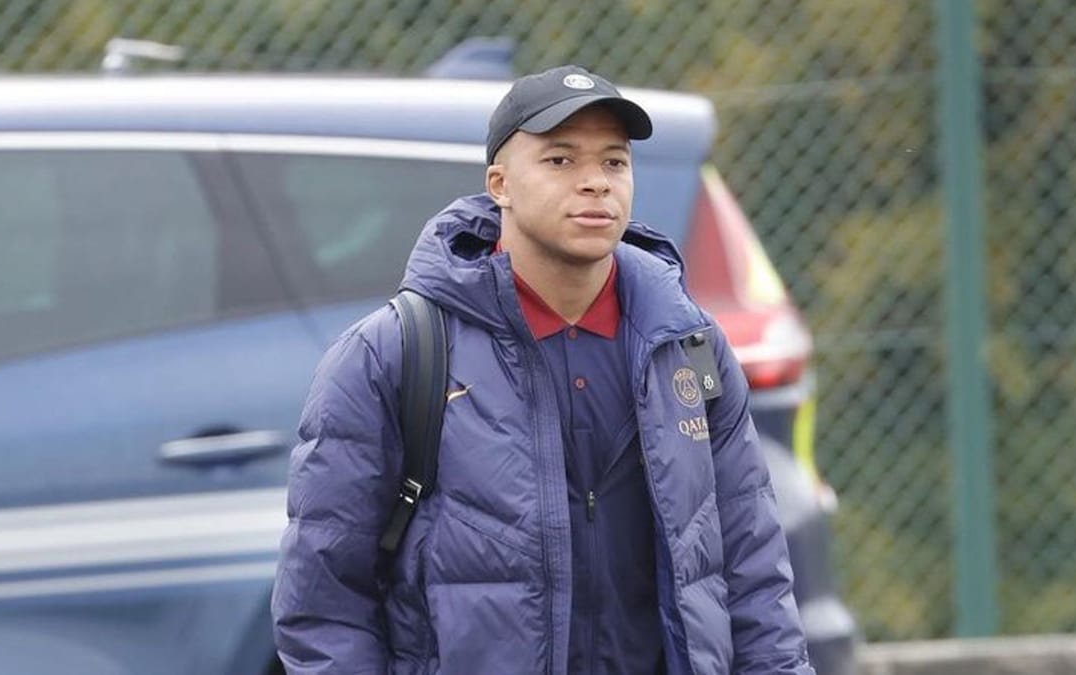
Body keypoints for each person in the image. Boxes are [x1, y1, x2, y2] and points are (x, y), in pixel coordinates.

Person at [272, 65, 815, 675]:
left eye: (614, 162)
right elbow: (324, 602)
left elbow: (753, 571)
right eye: (561, 161)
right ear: (500, 184)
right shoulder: (394, 353)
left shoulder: (687, 346)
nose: (595, 184)